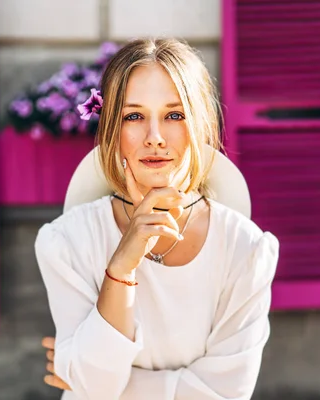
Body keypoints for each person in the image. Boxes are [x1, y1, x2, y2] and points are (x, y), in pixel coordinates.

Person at [34, 37, 279, 400]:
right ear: (112, 131)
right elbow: (94, 387)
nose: (155, 137)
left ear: (200, 124)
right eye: (134, 116)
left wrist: (111, 383)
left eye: (174, 115)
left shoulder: (246, 249)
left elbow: (228, 393)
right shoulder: (67, 242)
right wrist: (123, 265)